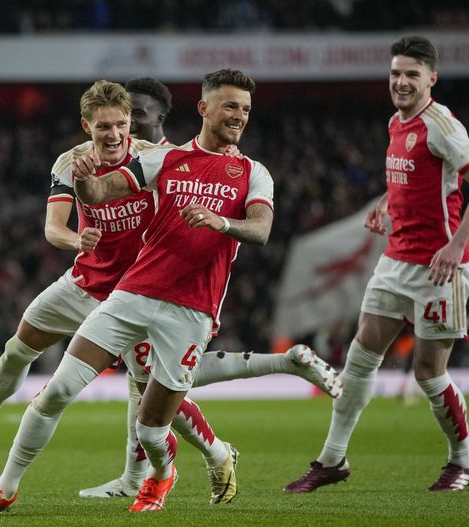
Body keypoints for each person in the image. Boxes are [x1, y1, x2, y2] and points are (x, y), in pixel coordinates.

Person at [78, 77, 343, 500]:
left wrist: (223, 223)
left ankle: (189, 462)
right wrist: (81, 178)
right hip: (137, 289)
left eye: (245, 109)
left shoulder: (252, 171)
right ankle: (152, 474)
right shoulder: (165, 159)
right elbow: (97, 193)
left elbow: (260, 229)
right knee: (143, 385)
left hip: (192, 304)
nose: (239, 116)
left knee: (155, 399)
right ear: (203, 109)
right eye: (230, 107)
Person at [284, 36, 469, 494]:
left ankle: (463, 462)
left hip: (441, 268)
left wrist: (454, 245)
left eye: (412, 75)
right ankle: (331, 460)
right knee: (361, 357)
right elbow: (413, 177)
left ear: (432, 79)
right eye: (395, 73)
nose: (401, 82)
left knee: (428, 373)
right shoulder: (396, 122)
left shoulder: (441, 125)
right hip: (396, 259)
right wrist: (386, 202)